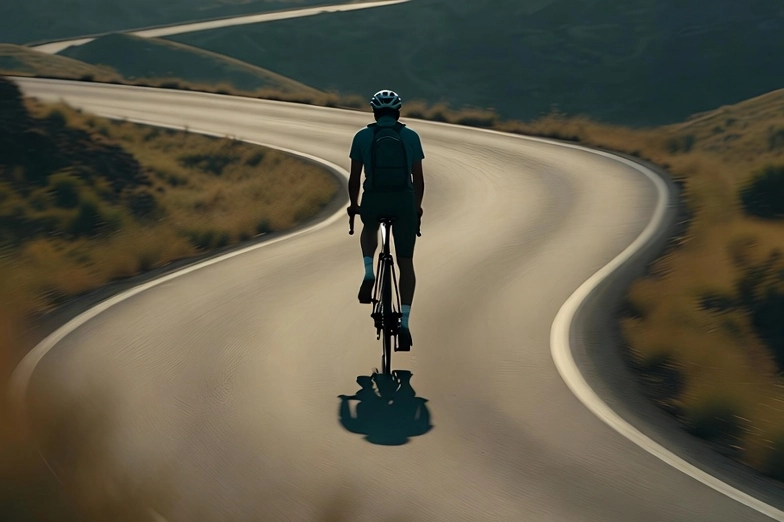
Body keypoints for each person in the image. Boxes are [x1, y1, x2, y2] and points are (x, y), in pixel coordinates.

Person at [346, 89, 425, 351]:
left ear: (374, 112)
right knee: (406, 263)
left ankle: (369, 270)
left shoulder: (362, 136)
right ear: (398, 112)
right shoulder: (411, 137)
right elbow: (419, 179)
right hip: (403, 202)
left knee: (369, 226)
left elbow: (355, 178)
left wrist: (355, 205)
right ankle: (404, 323)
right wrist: (416, 208)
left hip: (374, 199)